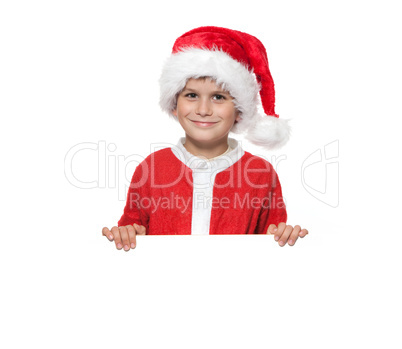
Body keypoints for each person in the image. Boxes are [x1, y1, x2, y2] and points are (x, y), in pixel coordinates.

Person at [102, 26, 308, 251]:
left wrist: (283, 237)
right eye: (191, 95)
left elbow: (273, 241)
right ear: (174, 104)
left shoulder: (261, 174)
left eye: (218, 97)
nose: (203, 109)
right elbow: (130, 232)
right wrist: (126, 233)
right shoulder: (150, 169)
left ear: (239, 110)